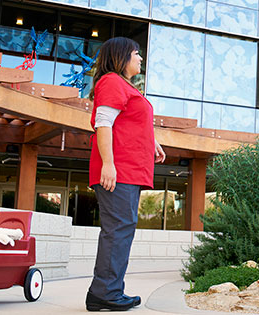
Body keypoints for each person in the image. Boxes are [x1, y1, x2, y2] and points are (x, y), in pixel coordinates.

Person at [85, 37, 166, 312]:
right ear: (121, 56)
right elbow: (103, 123)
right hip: (118, 172)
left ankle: (106, 291)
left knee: (121, 230)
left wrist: (150, 142)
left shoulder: (123, 86)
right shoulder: (111, 81)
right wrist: (108, 164)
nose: (140, 58)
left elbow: (126, 121)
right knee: (118, 230)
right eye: (136, 53)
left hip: (128, 171)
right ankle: (105, 292)